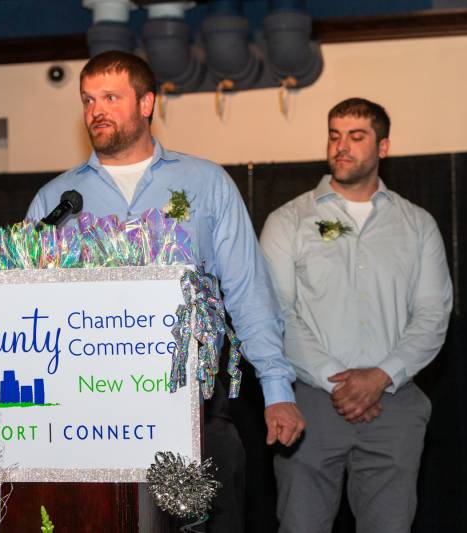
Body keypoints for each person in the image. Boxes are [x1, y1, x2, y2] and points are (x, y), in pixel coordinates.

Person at [27, 50, 305, 531]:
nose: (96, 110)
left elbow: (247, 291)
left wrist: (277, 388)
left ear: (146, 103)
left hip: (194, 406)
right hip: (88, 413)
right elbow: (26, 306)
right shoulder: (57, 201)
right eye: (88, 99)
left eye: (111, 97)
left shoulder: (206, 184)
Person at [260, 97, 453, 533]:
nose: (341, 147)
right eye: (334, 135)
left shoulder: (417, 225)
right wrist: (339, 381)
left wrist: (380, 376)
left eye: (356, 136)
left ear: (383, 147)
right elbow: (276, 314)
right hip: (308, 401)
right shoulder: (288, 220)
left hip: (394, 402)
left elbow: (432, 315)